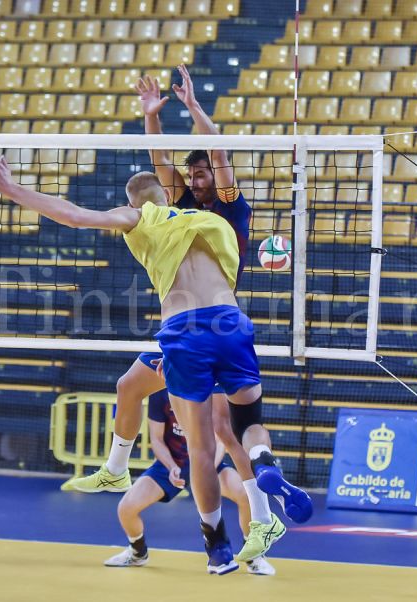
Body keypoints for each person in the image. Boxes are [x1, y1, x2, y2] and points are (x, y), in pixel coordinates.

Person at [0, 158, 312, 574]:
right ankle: (262, 465)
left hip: (185, 333)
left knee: (201, 447)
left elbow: (75, 215)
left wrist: (11, 190)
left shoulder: (140, 217)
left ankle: (217, 546)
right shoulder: (213, 221)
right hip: (232, 324)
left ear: (135, 202)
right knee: (245, 423)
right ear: (166, 194)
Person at [60, 65, 253, 497]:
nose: (194, 181)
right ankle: (115, 469)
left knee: (224, 430)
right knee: (129, 386)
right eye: (192, 175)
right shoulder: (179, 206)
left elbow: (218, 153)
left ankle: (260, 512)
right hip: (185, 324)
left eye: (200, 174)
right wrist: (151, 115)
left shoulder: (230, 206)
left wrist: (194, 107)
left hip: (217, 319)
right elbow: (160, 161)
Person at [104, 387, 275, 576]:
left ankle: (254, 555)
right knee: (126, 508)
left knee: (245, 496)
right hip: (173, 465)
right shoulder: (159, 394)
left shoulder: (209, 391)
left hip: (208, 462)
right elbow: (157, 439)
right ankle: (137, 552)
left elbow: (220, 440)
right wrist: (171, 466)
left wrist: (207, 469)